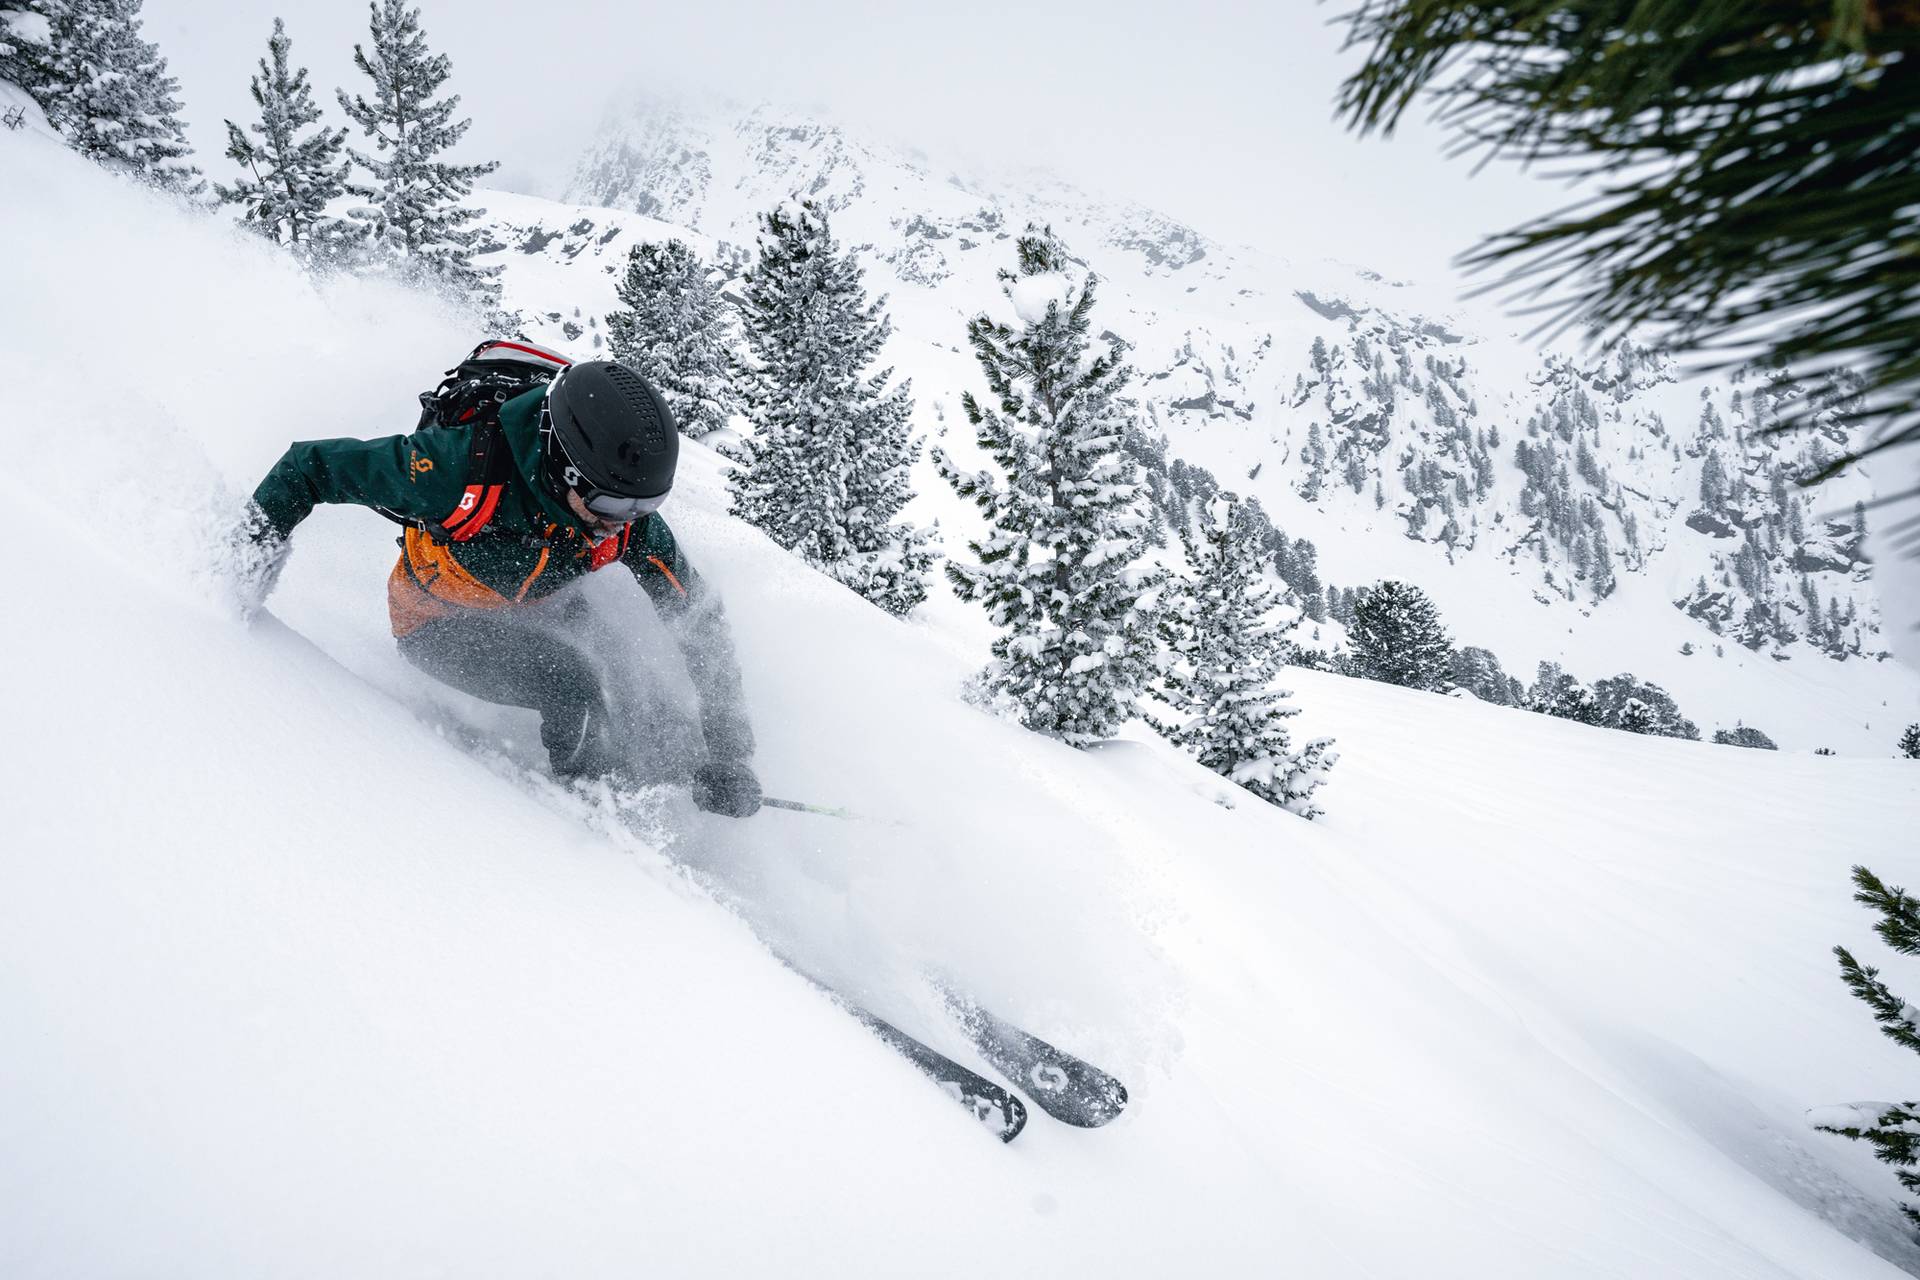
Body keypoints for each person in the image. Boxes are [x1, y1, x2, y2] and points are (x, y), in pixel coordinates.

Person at [243, 354, 763, 817]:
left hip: (541, 604)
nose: (624, 523)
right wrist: (238, 572)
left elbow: (699, 620)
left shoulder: (624, 518)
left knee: (641, 691)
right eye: (611, 507)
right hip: (440, 623)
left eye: (646, 507)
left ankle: (669, 770)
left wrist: (728, 753)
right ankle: (595, 823)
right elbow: (306, 468)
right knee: (576, 690)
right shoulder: (453, 472)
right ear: (565, 470)